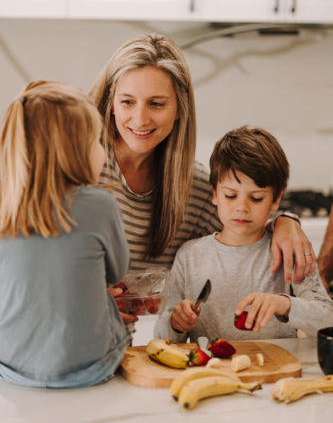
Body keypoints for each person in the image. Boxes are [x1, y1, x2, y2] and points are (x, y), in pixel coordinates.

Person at [89, 34, 316, 331]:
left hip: (116, 351)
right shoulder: (78, 167)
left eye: (156, 104)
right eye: (127, 102)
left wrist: (285, 221)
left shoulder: (193, 189)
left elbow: (242, 226)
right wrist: (84, 300)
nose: (140, 118)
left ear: (180, 108)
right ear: (111, 103)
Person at [0, 81, 130, 388]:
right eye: (97, 142)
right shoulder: (99, 204)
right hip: (92, 367)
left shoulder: (4, 204)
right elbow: (117, 272)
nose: (103, 151)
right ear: (73, 152)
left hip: (10, 367)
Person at [154, 126, 333, 342]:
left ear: (276, 199)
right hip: (212, 372)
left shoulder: (289, 251)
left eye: (256, 198)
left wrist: (284, 304)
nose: (242, 207)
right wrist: (176, 323)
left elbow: (328, 320)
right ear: (214, 194)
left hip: (277, 371)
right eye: (230, 195)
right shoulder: (189, 256)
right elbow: (163, 339)